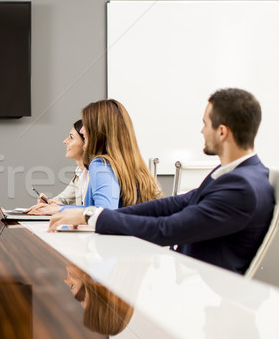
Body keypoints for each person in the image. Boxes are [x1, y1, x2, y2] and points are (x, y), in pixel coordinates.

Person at [49, 88, 275, 274]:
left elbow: (167, 229)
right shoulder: (234, 174)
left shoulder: (241, 187)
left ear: (222, 132)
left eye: (205, 124)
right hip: (190, 275)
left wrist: (92, 216)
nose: (201, 130)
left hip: (208, 291)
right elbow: (173, 205)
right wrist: (92, 215)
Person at [29, 99, 160, 215]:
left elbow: (103, 213)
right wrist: (59, 207)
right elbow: (94, 209)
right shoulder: (133, 165)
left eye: (86, 124)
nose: (82, 130)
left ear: (99, 130)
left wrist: (59, 210)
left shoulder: (100, 164)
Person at [25, 119, 89, 215]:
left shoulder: (96, 173)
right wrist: (49, 203)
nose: (65, 141)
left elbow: (96, 211)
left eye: (71, 137)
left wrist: (58, 208)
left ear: (86, 141)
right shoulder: (80, 173)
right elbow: (63, 199)